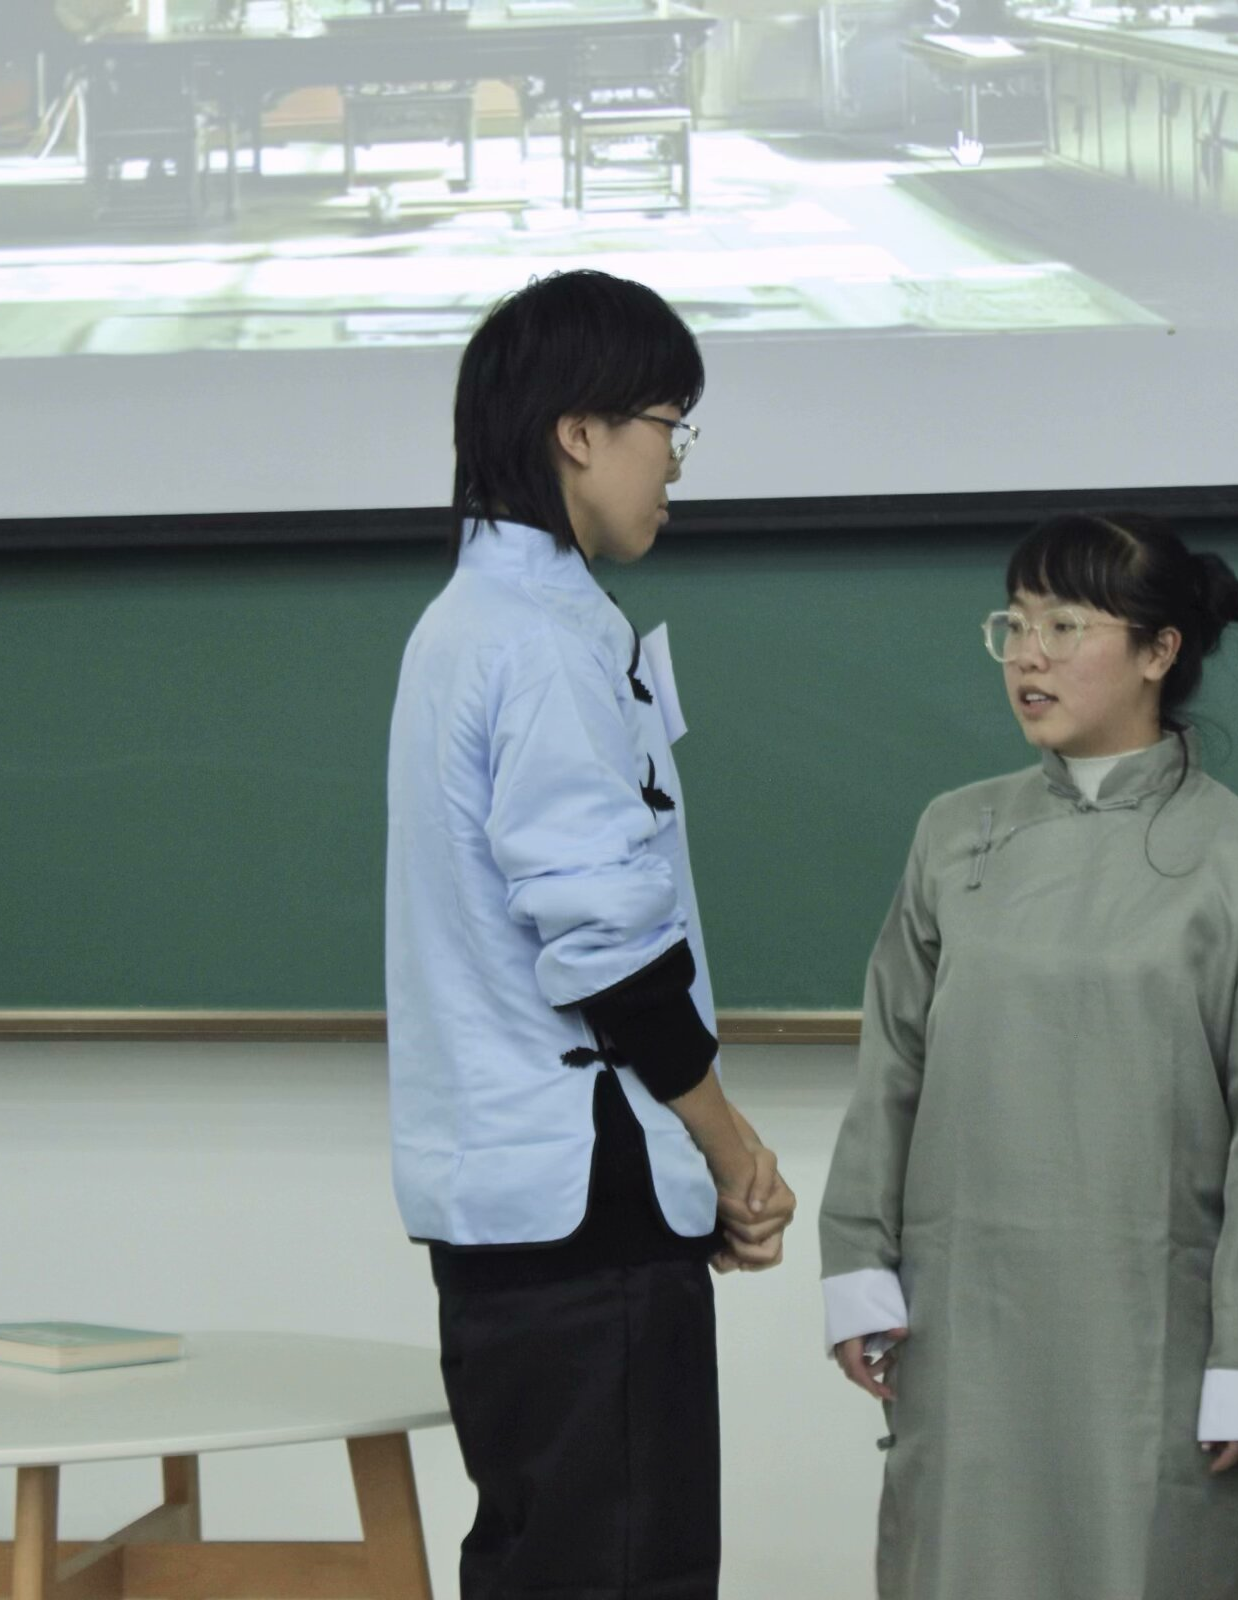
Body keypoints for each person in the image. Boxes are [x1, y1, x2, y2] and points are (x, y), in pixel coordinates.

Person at [819, 511, 1238, 1600]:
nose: (1028, 656)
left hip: (1148, 1336)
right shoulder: (955, 836)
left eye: (1064, 625)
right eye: (1013, 624)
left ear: (1158, 650)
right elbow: (891, 1065)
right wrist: (858, 1262)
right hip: (964, 1320)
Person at [385, 269, 797, 1600]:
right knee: (622, 1574)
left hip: (512, 1211)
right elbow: (609, 945)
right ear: (578, 432)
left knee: (542, 1564)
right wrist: (728, 1148)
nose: (675, 462)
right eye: (668, 425)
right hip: (587, 1206)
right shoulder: (543, 640)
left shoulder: (462, 625)